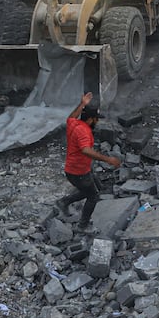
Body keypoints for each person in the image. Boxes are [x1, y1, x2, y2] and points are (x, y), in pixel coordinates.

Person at [55, 92, 122, 233]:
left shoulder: (75, 123)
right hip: (78, 171)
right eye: (96, 119)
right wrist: (108, 159)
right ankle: (82, 225)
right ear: (91, 120)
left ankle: (64, 202)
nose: (97, 122)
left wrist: (82, 104)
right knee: (92, 196)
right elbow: (86, 150)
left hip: (77, 167)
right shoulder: (84, 132)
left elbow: (71, 117)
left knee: (93, 186)